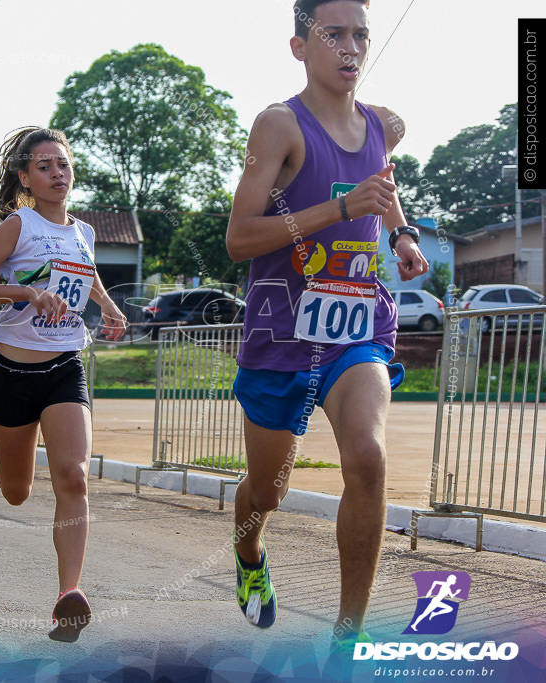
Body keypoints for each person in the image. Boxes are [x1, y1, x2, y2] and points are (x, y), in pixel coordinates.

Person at [224, 0, 429, 648]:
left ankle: (347, 640)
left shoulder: (384, 125)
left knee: (367, 457)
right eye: (332, 34)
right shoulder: (278, 127)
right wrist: (338, 206)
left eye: (360, 35)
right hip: (281, 335)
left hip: (355, 325)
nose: (350, 47)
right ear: (298, 47)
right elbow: (239, 239)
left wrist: (401, 235)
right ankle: (250, 552)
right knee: (267, 491)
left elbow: (382, 184)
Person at [0, 127, 126, 642]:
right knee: (16, 492)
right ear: (26, 177)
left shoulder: (84, 232)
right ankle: (4, 456)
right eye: (45, 166)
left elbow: (85, 276)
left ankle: (67, 596)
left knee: (74, 476)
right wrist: (24, 292)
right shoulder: (18, 224)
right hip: (11, 374)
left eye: (64, 164)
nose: (58, 173)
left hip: (64, 368)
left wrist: (108, 305)